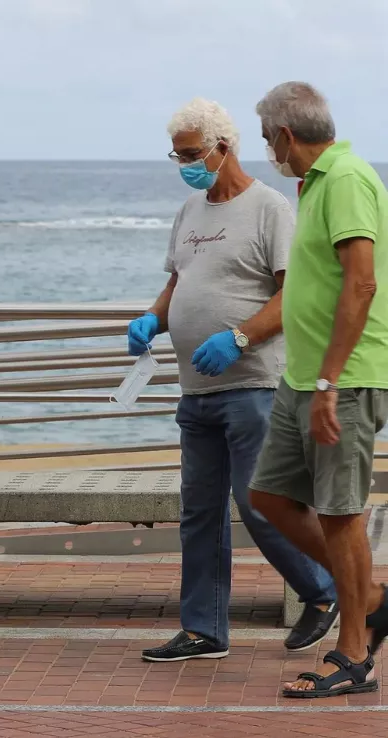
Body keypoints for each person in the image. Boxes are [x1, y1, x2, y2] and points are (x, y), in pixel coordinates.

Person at [128, 98, 337, 664]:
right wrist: (154, 318)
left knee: (261, 504)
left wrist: (240, 338)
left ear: (225, 147)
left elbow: (293, 294)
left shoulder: (269, 208)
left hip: (253, 387)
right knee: (198, 513)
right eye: (178, 153)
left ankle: (323, 590)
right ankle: (203, 630)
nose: (184, 162)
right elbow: (180, 283)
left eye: (193, 153)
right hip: (195, 390)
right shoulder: (190, 211)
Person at [245, 81, 388, 698]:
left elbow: (361, 284)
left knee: (340, 513)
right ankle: (373, 599)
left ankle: (354, 653)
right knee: (269, 497)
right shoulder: (312, 186)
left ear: (284, 135)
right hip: (300, 377)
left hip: (343, 380)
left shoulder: (349, 178)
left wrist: (330, 378)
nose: (266, 151)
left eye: (265, 139)